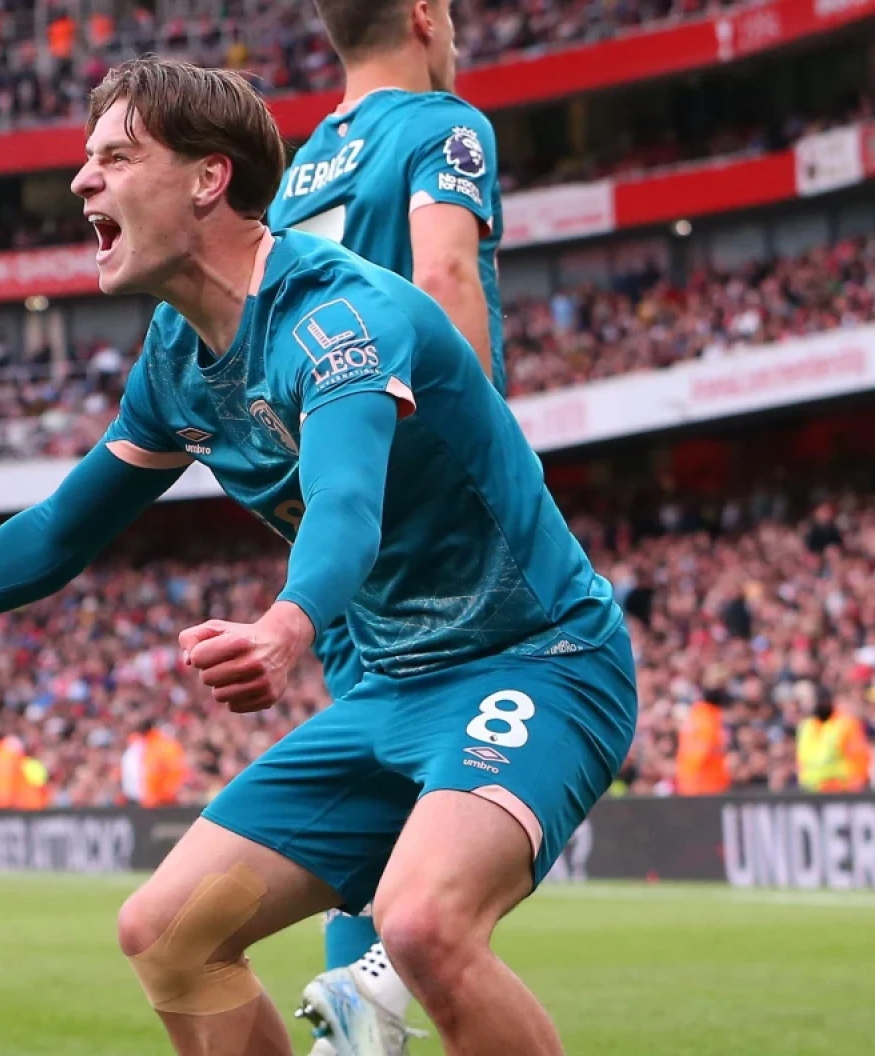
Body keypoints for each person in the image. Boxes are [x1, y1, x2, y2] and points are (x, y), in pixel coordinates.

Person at [0, 58, 635, 1056]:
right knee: (167, 934)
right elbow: (60, 532)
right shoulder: (176, 359)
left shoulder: (338, 316)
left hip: (538, 662)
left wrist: (286, 625)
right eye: (87, 159)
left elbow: (346, 504)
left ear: (207, 179)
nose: (82, 180)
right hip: (391, 690)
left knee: (423, 927)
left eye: (116, 157)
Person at [266, 0, 504, 1047]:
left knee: (386, 788)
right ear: (423, 14)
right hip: (436, 501)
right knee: (529, 747)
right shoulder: (441, 125)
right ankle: (381, 985)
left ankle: (353, 1025)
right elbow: (442, 270)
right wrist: (479, 453)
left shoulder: (293, 176)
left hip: (343, 513)